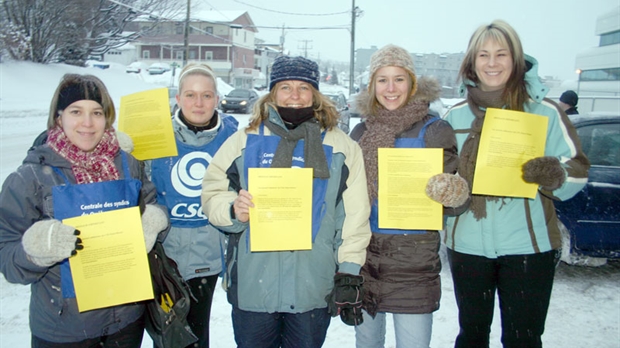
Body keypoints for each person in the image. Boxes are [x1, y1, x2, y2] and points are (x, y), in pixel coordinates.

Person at [200, 55, 372, 347]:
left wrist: (349, 269)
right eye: (285, 87)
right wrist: (232, 208)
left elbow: (353, 215)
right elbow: (212, 191)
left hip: (312, 285)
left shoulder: (341, 147)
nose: (294, 96)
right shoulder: (244, 141)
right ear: (272, 92)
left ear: (315, 94)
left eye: (303, 87)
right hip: (254, 284)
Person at [443, 20, 590, 347]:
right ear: (472, 62)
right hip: (467, 246)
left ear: (516, 60)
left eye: (501, 54)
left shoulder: (545, 113)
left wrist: (555, 173)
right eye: (483, 55)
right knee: (472, 337)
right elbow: (442, 173)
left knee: (523, 339)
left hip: (528, 248)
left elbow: (578, 169)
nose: (492, 63)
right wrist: (445, 191)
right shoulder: (453, 116)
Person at [0, 73, 169, 347]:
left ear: (107, 117)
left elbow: (153, 206)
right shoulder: (30, 177)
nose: (88, 123)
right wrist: (35, 250)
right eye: (76, 111)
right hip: (64, 330)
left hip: (126, 321)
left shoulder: (127, 164)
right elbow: (6, 255)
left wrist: (155, 220)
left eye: (97, 112)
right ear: (59, 117)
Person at [349, 44, 469, 348]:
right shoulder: (360, 132)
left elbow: (454, 202)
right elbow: (346, 197)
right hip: (366, 259)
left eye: (399, 79)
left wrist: (452, 193)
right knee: (367, 343)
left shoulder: (435, 130)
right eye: (382, 79)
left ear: (413, 83)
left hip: (413, 263)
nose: (391, 88)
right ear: (372, 86)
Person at [147, 63, 238, 348]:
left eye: (207, 95)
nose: (198, 103)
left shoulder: (233, 137)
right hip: (162, 255)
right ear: (178, 98)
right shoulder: (154, 136)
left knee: (197, 335)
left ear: (217, 98)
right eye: (190, 95)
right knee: (166, 334)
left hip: (206, 255)